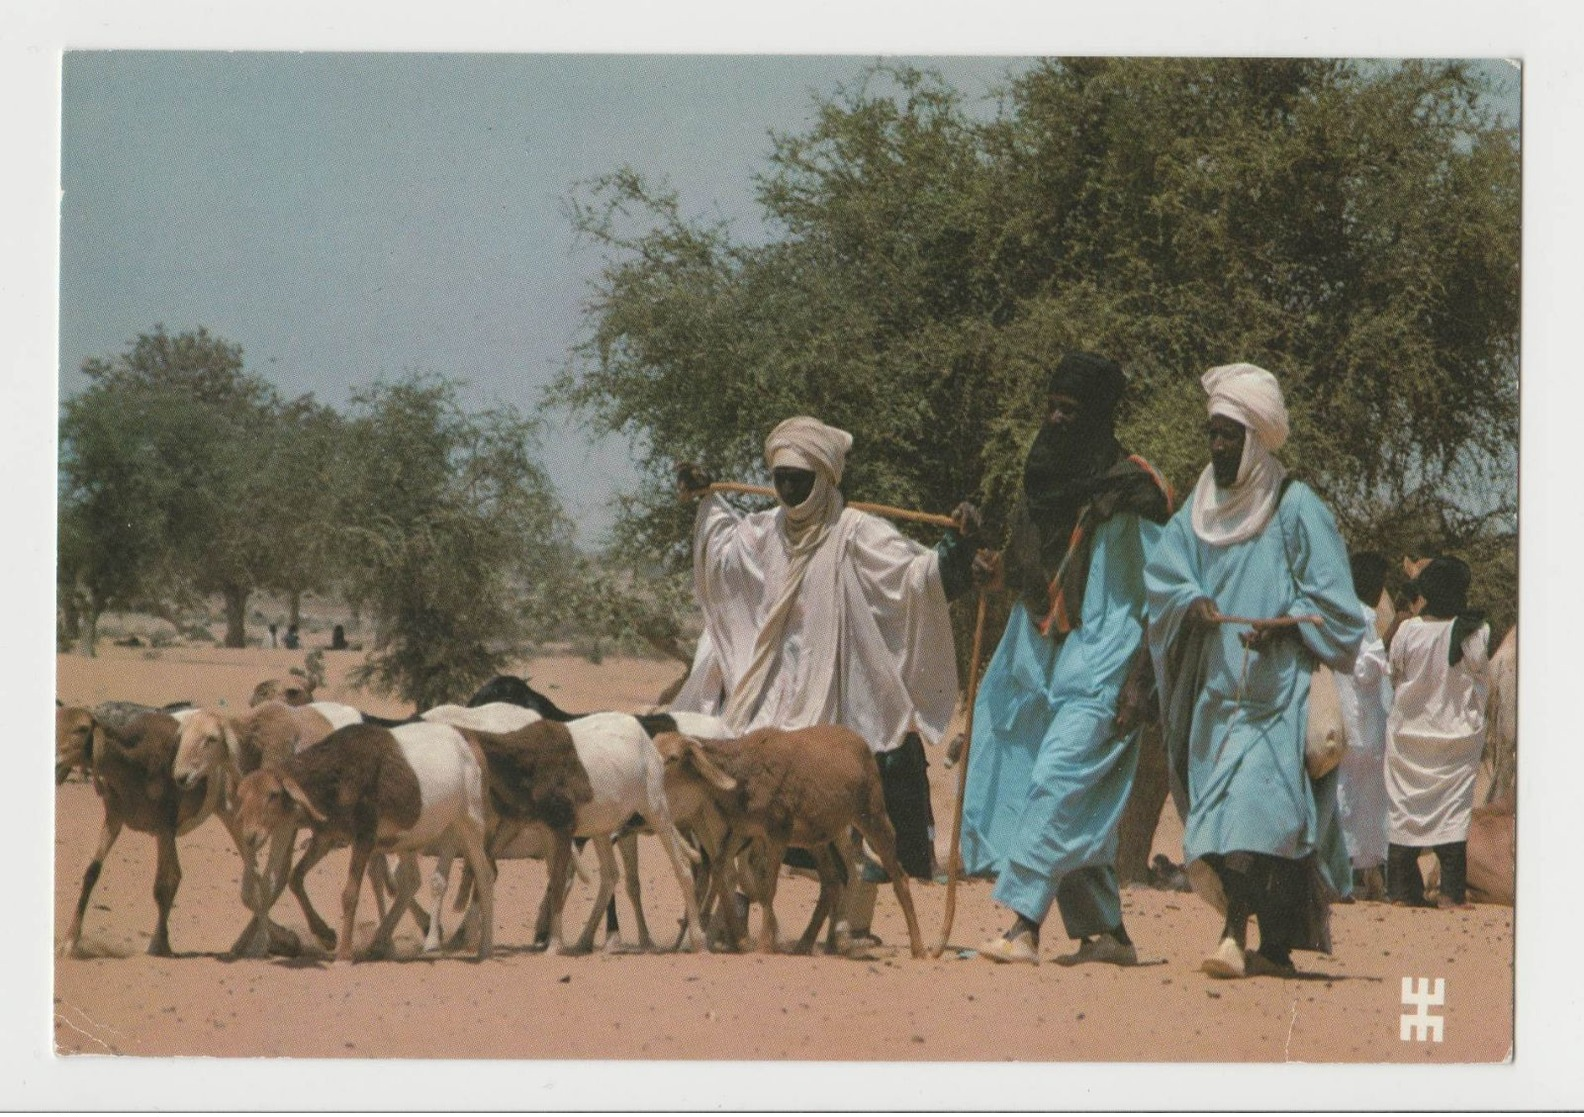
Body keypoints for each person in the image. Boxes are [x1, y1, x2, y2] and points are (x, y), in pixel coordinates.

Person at [673, 415, 979, 933]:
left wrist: (959, 547)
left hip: (837, 693)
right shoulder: (761, 532)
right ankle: (735, 917)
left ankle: (850, 926)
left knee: (849, 815)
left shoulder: (857, 533)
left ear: (826, 478)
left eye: (801, 479)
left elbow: (914, 578)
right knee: (742, 805)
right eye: (781, 478)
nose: (789, 489)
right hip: (768, 694)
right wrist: (705, 499)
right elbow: (720, 551)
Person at [1145, 363, 1366, 979]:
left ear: (1254, 438)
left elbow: (1337, 606)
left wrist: (1288, 623)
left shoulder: (1295, 507)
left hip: (1279, 697)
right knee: (1233, 826)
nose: (1216, 446)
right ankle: (1275, 944)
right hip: (1216, 696)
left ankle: (1228, 936)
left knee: (1250, 817)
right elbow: (1164, 571)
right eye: (1211, 433)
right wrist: (1191, 598)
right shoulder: (1199, 507)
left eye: (1228, 434)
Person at [960, 352, 1173, 967]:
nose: (1055, 419)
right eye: (1051, 406)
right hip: (1041, 650)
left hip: (1109, 655)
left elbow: (1168, 590)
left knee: (1057, 779)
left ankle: (1022, 926)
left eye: (1070, 410)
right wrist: (988, 566)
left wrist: (1143, 677)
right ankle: (1107, 934)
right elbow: (1032, 571)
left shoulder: (1136, 489)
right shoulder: (1044, 480)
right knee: (1050, 785)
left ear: (1100, 417)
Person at [1384, 556, 1490, 909]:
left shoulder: (1407, 630)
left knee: (1404, 809)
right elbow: (1479, 672)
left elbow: (1394, 674)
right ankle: (1450, 895)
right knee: (1453, 813)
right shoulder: (1475, 630)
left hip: (1408, 737)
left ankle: (1400, 893)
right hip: (1455, 740)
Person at [1333, 551, 1393, 900]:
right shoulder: (1360, 617)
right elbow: (1364, 668)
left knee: (1359, 799)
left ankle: (1361, 873)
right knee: (1353, 800)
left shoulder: (1349, 614)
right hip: (1360, 721)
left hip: (1360, 720)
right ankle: (1350, 875)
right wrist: (1391, 638)